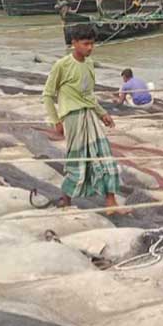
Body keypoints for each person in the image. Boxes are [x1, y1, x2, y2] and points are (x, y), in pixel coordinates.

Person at [42, 25, 123, 211]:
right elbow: (47, 94)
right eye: (86, 44)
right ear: (74, 43)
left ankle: (111, 202)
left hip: (90, 116)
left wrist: (102, 113)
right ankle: (67, 199)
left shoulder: (89, 64)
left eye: (92, 44)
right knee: (77, 160)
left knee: (105, 156)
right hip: (72, 118)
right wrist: (56, 121)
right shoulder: (62, 65)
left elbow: (88, 95)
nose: (90, 48)